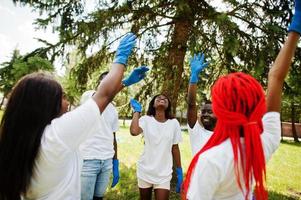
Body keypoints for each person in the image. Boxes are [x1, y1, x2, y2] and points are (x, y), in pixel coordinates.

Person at [0, 33, 143, 200]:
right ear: (45, 104)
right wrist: (121, 57)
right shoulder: (56, 135)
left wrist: (124, 83)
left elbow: (105, 98)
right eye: (62, 96)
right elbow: (103, 95)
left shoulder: (19, 139)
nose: (67, 102)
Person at [182, 1, 301, 199]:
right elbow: (276, 78)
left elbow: (275, 79)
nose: (207, 112)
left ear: (221, 110)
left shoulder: (211, 160)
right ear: (258, 106)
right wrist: (295, 30)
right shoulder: (263, 143)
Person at [80, 66, 149, 200]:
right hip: (88, 160)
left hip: (106, 161)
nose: (112, 85)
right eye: (108, 81)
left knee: (98, 197)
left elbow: (113, 137)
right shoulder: (88, 97)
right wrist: (125, 83)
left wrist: (115, 162)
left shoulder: (113, 110)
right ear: (100, 84)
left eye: (114, 82)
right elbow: (105, 93)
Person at [130, 94, 183, 200]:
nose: (162, 99)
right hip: (145, 170)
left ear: (168, 105)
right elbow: (134, 131)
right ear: (153, 105)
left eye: (165, 98)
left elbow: (175, 148)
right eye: (158, 98)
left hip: (164, 173)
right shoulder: (146, 120)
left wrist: (179, 170)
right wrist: (137, 111)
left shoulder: (174, 123)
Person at [187, 53, 216, 156]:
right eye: (203, 111)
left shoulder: (225, 136)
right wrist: (194, 77)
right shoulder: (197, 131)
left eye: (210, 112)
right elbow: (191, 104)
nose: (205, 114)